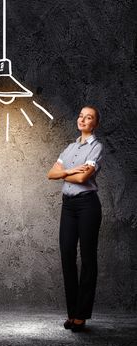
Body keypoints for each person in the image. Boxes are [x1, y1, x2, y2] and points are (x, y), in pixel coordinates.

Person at [47, 106, 104, 332]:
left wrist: (66, 172)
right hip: (68, 207)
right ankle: (72, 313)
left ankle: (81, 315)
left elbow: (83, 178)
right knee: (67, 255)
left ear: (94, 124)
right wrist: (69, 171)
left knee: (88, 259)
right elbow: (51, 174)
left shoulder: (97, 147)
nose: (83, 119)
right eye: (81, 115)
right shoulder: (70, 147)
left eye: (88, 118)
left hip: (88, 205)